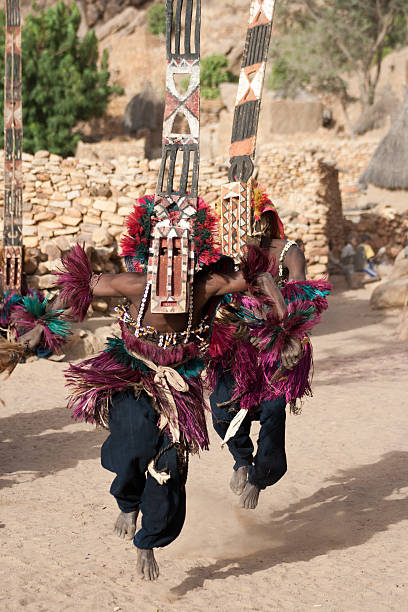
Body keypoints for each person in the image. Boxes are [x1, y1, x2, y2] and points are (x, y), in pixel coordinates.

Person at [53, 195, 289, 581]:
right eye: (163, 252)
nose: (171, 262)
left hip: (181, 386)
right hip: (132, 375)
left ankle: (148, 541)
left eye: (181, 252)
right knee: (133, 442)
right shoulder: (133, 284)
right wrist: (43, 320)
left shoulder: (207, 285)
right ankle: (127, 502)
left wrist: (282, 315)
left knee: (169, 471)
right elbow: (80, 286)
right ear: (150, 251)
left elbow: (261, 277)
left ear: (195, 253)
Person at [208, 188, 331, 510]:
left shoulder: (289, 251)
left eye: (259, 220)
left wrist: (281, 325)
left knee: (274, 412)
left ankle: (260, 479)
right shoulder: (231, 252)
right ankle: (241, 460)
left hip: (277, 344)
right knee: (221, 407)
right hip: (238, 346)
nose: (254, 226)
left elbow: (303, 291)